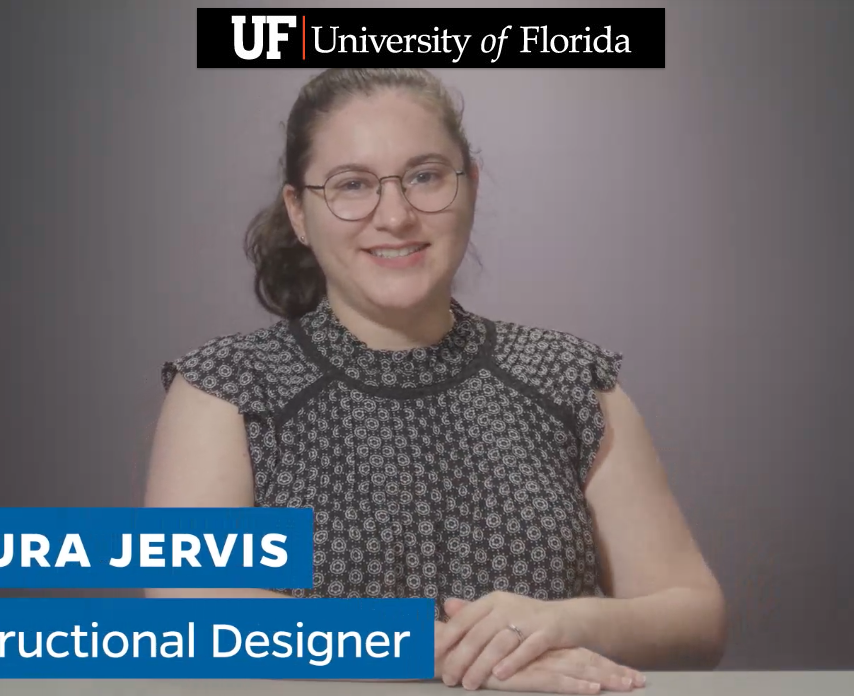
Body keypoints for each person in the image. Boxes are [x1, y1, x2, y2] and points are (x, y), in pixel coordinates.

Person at [144, 67, 727, 693]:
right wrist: (437, 650)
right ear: (300, 213)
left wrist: (558, 624)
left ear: (469, 186)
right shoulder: (227, 388)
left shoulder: (567, 380)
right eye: (352, 185)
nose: (394, 215)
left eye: (424, 176)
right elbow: (188, 609)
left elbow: (695, 614)